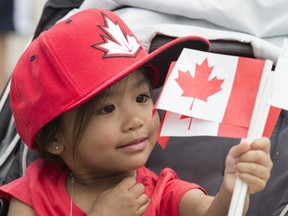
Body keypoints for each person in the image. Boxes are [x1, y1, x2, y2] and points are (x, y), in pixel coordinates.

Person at [0, 8, 272, 216]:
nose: (135, 120)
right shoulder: (33, 195)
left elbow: (210, 212)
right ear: (54, 139)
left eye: (142, 97)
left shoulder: (160, 190)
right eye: (107, 108)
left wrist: (233, 188)